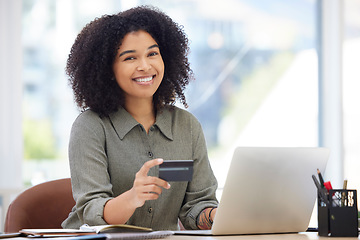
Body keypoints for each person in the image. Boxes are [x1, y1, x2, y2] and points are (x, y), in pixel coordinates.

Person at [62, 5, 218, 231]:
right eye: (129, 58)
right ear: (108, 69)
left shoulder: (187, 126)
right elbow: (92, 210)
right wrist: (133, 197)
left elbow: (196, 205)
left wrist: (216, 214)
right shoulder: (91, 126)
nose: (145, 66)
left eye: (152, 54)